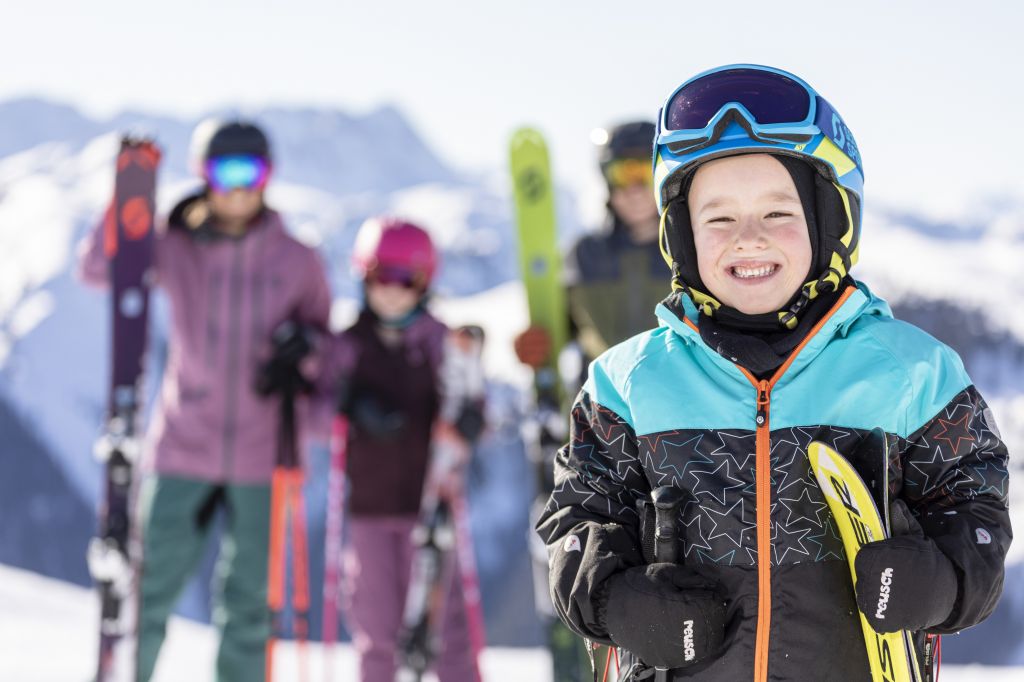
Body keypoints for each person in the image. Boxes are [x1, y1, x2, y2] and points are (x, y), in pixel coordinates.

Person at [535, 64, 1011, 681]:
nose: (749, 239)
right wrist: (620, 600)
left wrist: (940, 579)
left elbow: (976, 506)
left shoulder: (912, 373)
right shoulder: (626, 385)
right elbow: (578, 520)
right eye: (719, 219)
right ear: (681, 235)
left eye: (778, 214)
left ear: (828, 222)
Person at [77, 119, 332, 681]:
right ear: (203, 177)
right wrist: (127, 197)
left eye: (252, 172)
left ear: (269, 178)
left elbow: (326, 352)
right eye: (226, 172)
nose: (239, 187)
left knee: (246, 609)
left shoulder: (296, 259)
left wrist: (304, 350)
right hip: (181, 445)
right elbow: (100, 270)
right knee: (150, 590)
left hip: (263, 454)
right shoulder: (175, 247)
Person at [319, 217, 482, 682]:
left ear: (424, 283)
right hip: (368, 511)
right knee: (378, 632)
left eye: (404, 279)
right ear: (362, 277)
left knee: (446, 631)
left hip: (429, 510)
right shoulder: (349, 346)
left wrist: (472, 419)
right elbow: (317, 415)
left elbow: (469, 405)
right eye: (379, 277)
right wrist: (346, 402)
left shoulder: (438, 342)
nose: (391, 291)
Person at [514, 121, 665, 370]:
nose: (635, 189)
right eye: (622, 174)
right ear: (607, 180)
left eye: (644, 173)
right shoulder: (585, 255)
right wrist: (535, 345)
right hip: (598, 400)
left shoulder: (690, 252)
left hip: (672, 401)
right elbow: (562, 330)